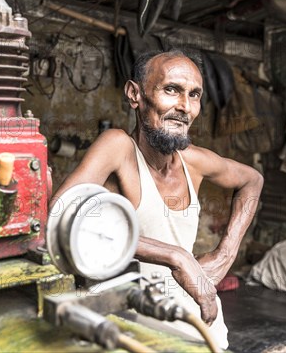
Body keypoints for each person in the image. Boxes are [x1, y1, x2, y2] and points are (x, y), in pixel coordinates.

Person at [51, 50, 264, 349]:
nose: (184, 107)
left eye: (194, 95)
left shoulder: (194, 161)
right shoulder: (119, 148)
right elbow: (60, 214)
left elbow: (252, 180)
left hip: (203, 333)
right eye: (171, 90)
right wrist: (176, 256)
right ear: (134, 94)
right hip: (132, 336)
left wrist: (225, 255)